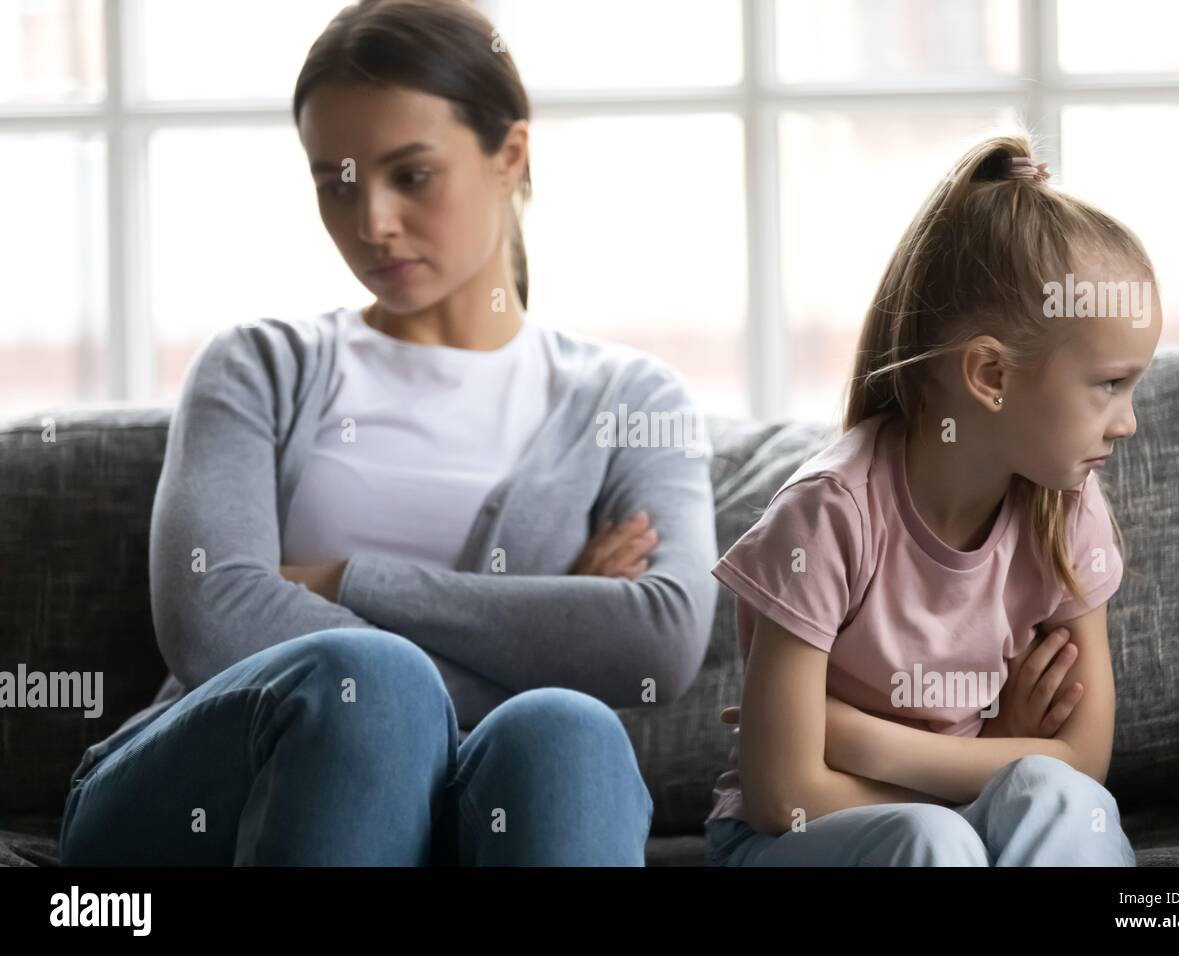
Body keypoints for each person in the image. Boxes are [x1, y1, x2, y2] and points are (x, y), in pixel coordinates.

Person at [58, 0, 717, 866]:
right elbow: (210, 617)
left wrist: (340, 580)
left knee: (568, 728)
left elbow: (653, 640)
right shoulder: (259, 365)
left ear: (508, 153)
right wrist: (546, 619)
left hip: (479, 795)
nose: (370, 221)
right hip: (198, 789)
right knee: (371, 685)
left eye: (410, 174)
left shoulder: (632, 398)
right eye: (335, 180)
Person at [705, 134, 1157, 866]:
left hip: (951, 819)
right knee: (933, 838)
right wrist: (997, 760)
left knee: (1057, 800)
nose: (1128, 420)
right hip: (783, 842)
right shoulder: (828, 516)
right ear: (990, 375)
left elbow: (1079, 762)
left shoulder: (1068, 509)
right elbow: (782, 794)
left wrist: (856, 737)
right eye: (1109, 384)